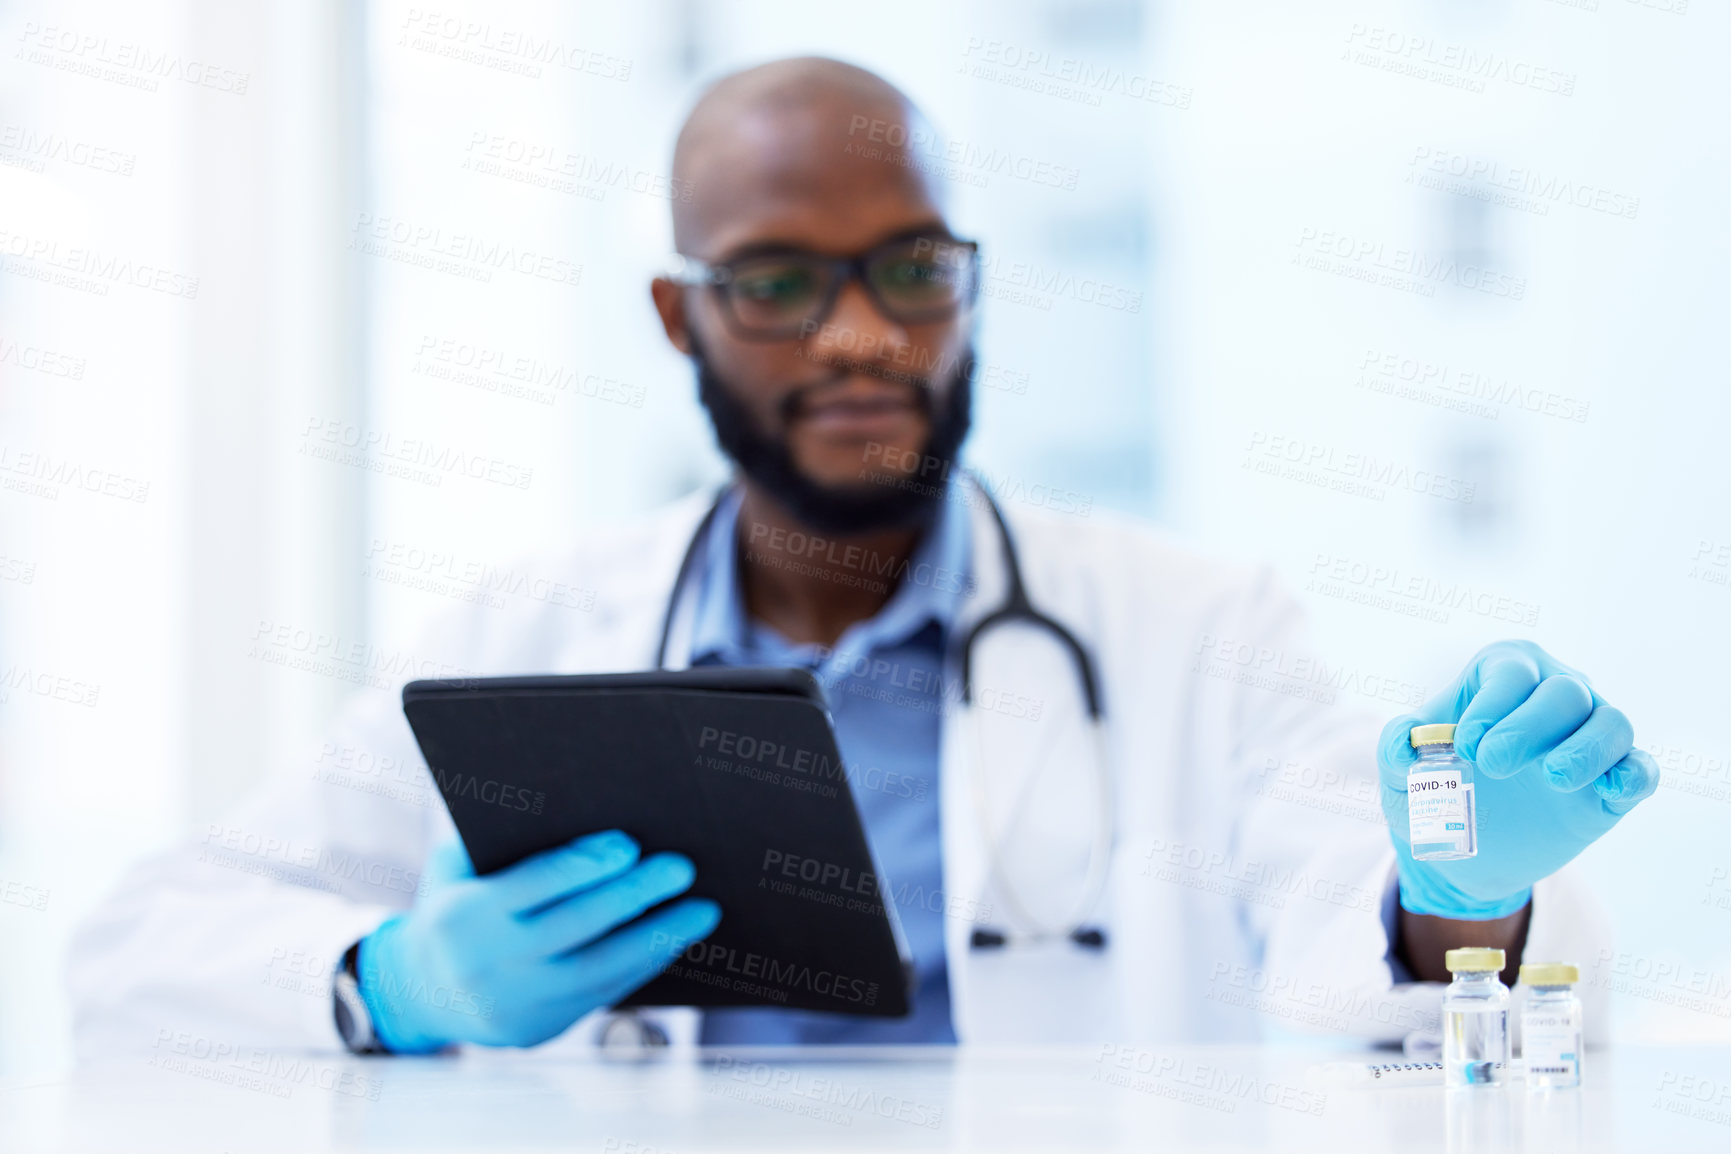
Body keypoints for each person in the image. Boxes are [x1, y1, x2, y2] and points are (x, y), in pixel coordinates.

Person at [69, 58, 1656, 1055]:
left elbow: (1361, 918)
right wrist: (393, 980)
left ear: (968, 287)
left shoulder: (1188, 624)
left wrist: (1459, 888)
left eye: (910, 267)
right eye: (774, 281)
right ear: (678, 317)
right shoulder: (529, 629)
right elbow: (135, 950)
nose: (857, 332)